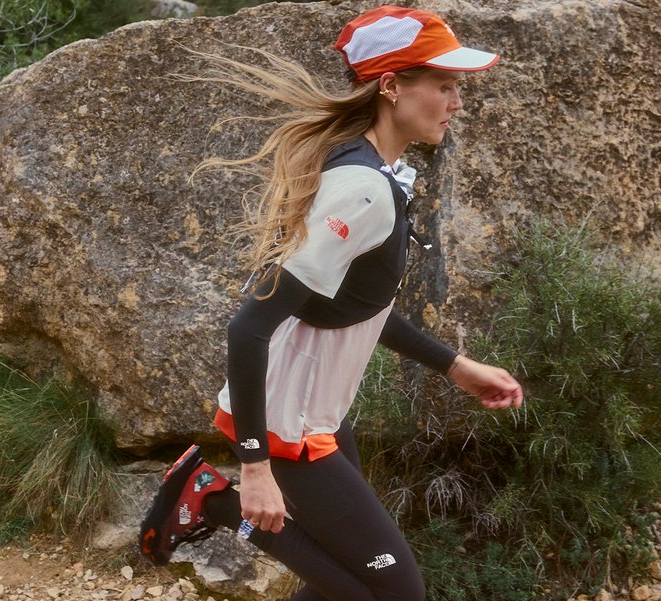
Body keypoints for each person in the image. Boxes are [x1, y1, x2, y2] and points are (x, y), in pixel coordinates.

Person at [139, 7, 523, 601]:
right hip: (283, 425)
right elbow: (249, 329)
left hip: (318, 414)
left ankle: (218, 502)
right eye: (445, 86)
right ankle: (217, 502)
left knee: (345, 582)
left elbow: (354, 305)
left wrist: (454, 366)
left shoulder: (375, 171)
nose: (457, 101)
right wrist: (256, 468)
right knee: (397, 594)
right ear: (392, 87)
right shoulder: (363, 188)